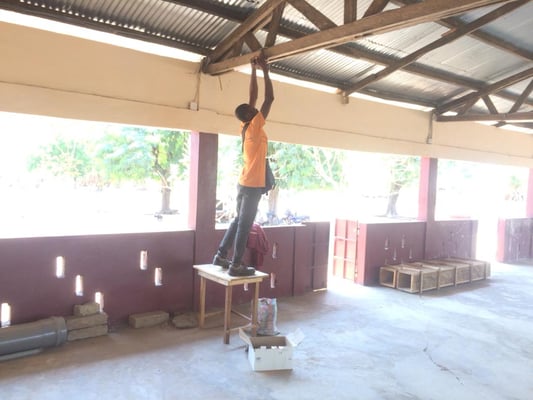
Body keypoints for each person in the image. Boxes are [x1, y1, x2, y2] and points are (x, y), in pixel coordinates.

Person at [213, 52, 274, 276]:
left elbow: (253, 96)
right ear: (249, 115)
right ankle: (236, 265)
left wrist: (254, 70)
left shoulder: (246, 126)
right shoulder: (254, 126)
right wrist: (266, 70)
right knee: (244, 224)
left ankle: (221, 255)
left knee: (239, 220)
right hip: (251, 186)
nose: (255, 108)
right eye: (252, 109)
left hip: (243, 183)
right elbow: (269, 99)